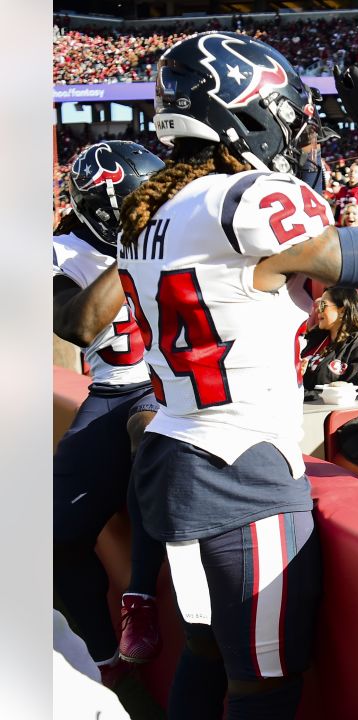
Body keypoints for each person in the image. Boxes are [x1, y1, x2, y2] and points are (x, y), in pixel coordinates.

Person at [116, 35, 358, 718]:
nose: (296, 127)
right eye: (286, 111)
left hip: (173, 459)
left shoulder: (152, 210)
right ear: (248, 110)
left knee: (206, 652)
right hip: (242, 478)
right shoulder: (246, 200)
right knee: (264, 684)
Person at [53, 141, 167, 687]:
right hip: (117, 387)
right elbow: (75, 326)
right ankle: (102, 660)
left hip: (177, 385)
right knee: (56, 537)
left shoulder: (175, 233)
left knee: (149, 431)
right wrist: (131, 251)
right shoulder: (59, 252)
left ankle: (139, 595)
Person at [301, 287, 358, 392]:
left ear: (342, 311)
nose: (317, 310)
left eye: (322, 305)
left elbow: (348, 395)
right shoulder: (314, 337)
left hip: (320, 406)